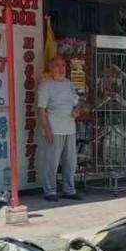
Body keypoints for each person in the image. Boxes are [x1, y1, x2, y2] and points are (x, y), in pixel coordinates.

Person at [36, 55, 81, 202]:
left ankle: (69, 190)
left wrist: (76, 110)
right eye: (57, 65)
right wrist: (47, 130)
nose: (61, 69)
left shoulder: (68, 83)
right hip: (54, 129)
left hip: (70, 128)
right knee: (52, 163)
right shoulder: (45, 85)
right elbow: (41, 110)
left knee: (70, 163)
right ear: (51, 68)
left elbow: (75, 103)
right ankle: (50, 191)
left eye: (63, 65)